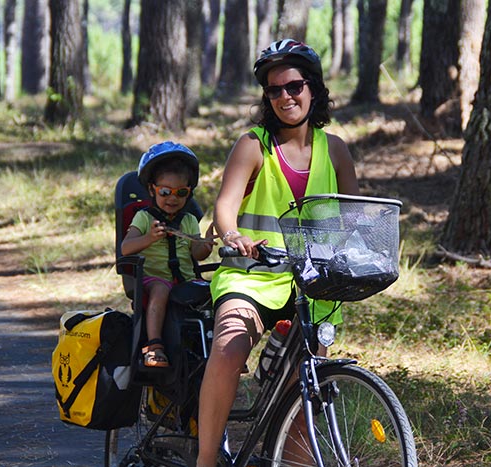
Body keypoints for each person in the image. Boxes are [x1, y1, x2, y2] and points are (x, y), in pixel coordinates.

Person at [196, 39, 359, 466]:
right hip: (251, 275)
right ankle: (206, 458)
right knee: (229, 349)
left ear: (313, 89)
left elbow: (355, 217)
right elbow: (225, 206)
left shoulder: (336, 150)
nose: (285, 96)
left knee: (305, 387)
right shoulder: (253, 145)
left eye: (294, 86)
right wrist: (232, 235)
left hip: (312, 285)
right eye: (274, 90)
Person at [121, 141, 215, 368]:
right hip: (152, 279)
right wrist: (149, 238)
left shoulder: (189, 220)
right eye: (165, 192)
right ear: (152, 189)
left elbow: (197, 254)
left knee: (217, 290)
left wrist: (207, 243)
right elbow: (125, 248)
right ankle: (154, 345)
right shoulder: (144, 218)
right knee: (162, 289)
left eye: (181, 193)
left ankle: (216, 350)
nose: (173, 199)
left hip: (185, 279)